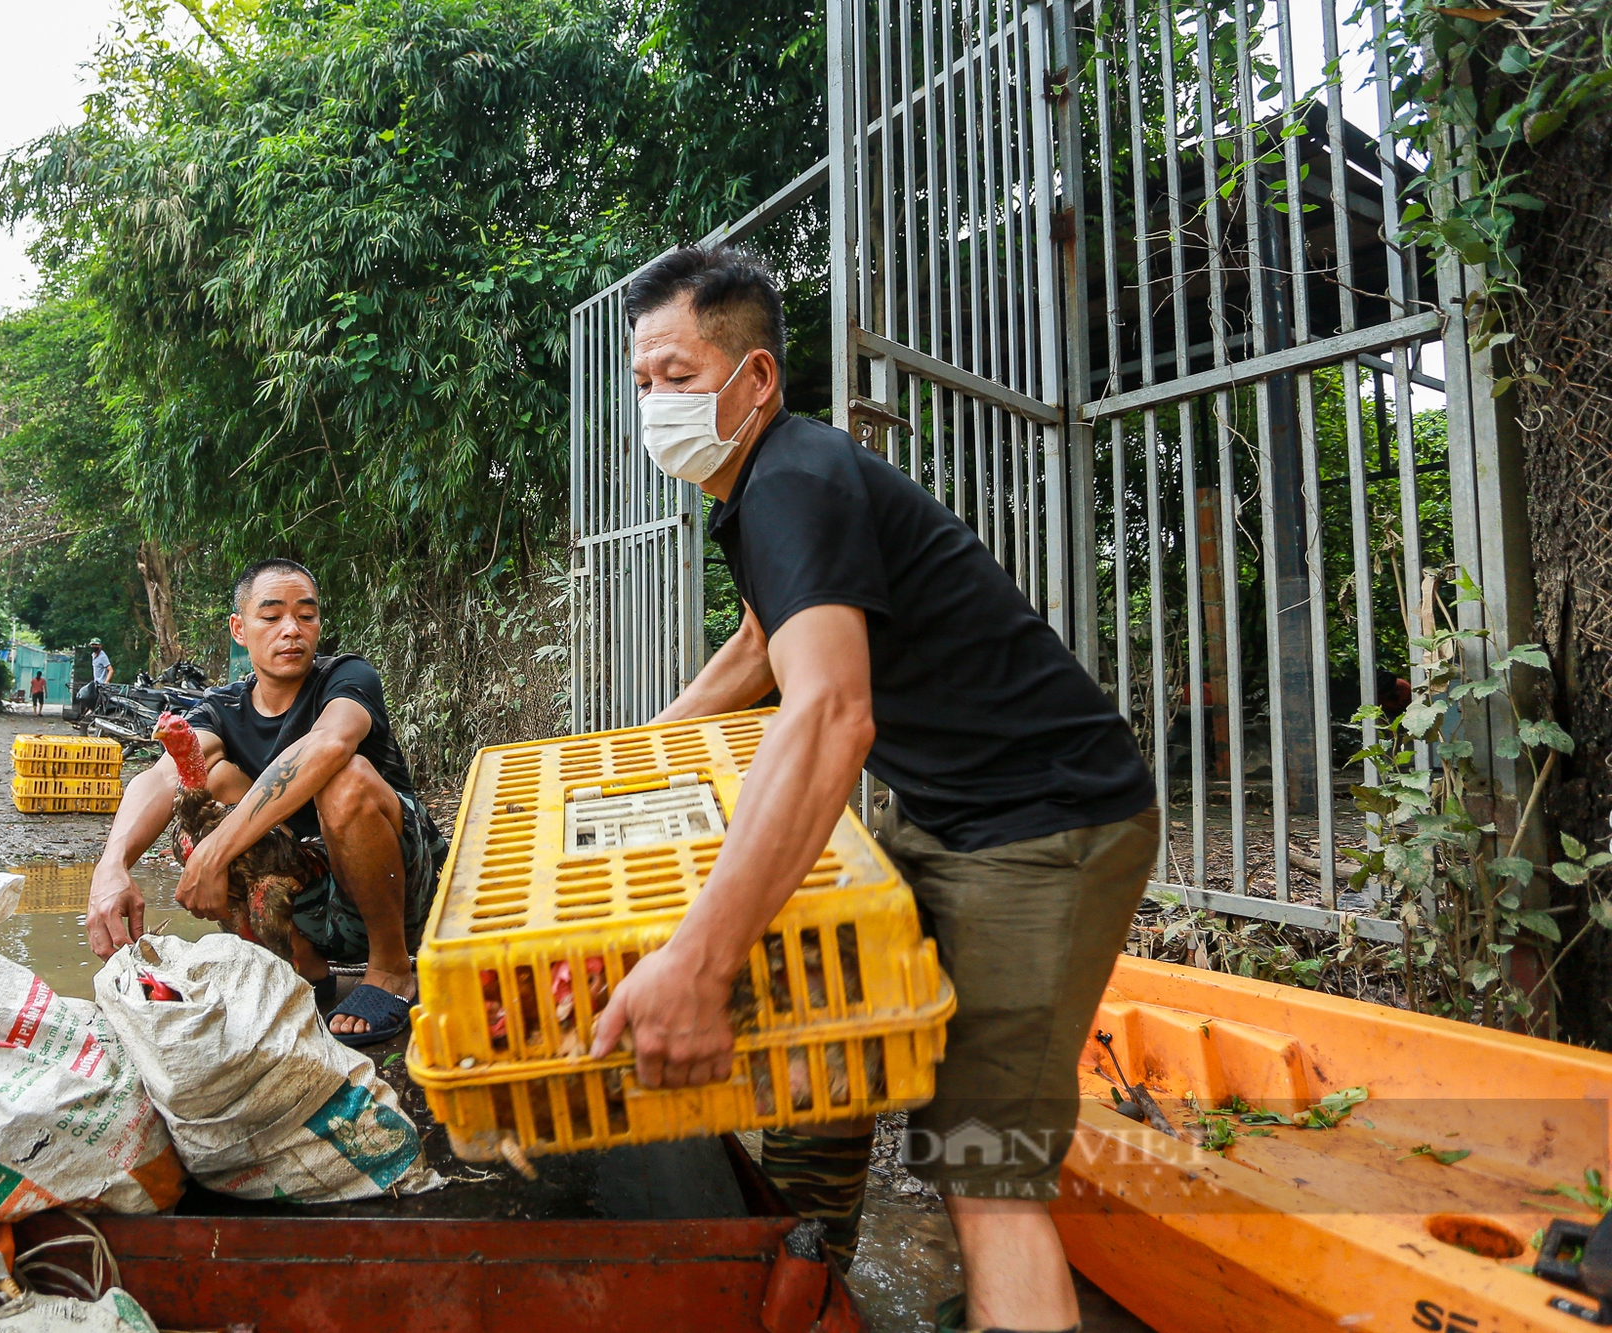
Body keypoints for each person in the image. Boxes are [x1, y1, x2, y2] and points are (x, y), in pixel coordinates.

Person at [585, 245, 1157, 1331]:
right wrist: (630, 753)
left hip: (1044, 825)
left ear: (754, 380)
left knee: (982, 1166)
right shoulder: (768, 483)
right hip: (941, 805)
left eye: (677, 375)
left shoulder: (792, 479)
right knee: (822, 1028)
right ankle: (801, 1285)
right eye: (641, 382)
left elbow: (829, 714)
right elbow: (761, 646)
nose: (653, 405)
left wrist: (697, 962)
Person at [85, 558, 446, 1046]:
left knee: (345, 779)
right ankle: (304, 964)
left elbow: (331, 744)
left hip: (401, 889)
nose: (291, 630)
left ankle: (389, 968)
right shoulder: (224, 708)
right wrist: (111, 867)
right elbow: (164, 775)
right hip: (304, 892)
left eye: (306, 615)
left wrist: (217, 854)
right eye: (272, 616)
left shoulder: (346, 677)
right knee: (203, 789)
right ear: (240, 628)